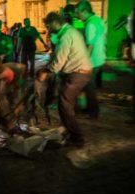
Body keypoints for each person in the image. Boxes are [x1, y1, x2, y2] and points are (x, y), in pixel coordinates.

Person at [37, 12, 92, 147]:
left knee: (64, 105)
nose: (48, 29)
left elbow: (58, 63)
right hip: (79, 72)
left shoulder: (66, 36)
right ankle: (69, 132)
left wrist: (45, 71)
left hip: (78, 74)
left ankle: (77, 139)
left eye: (48, 26)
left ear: (55, 22)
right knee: (67, 105)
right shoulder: (70, 31)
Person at [76, 1, 106, 119]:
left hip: (93, 61)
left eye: (78, 12)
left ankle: (93, 113)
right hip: (100, 58)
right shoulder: (98, 20)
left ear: (84, 11)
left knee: (89, 88)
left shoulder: (90, 25)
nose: (78, 15)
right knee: (89, 87)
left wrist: (84, 62)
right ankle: (89, 109)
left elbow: (90, 45)